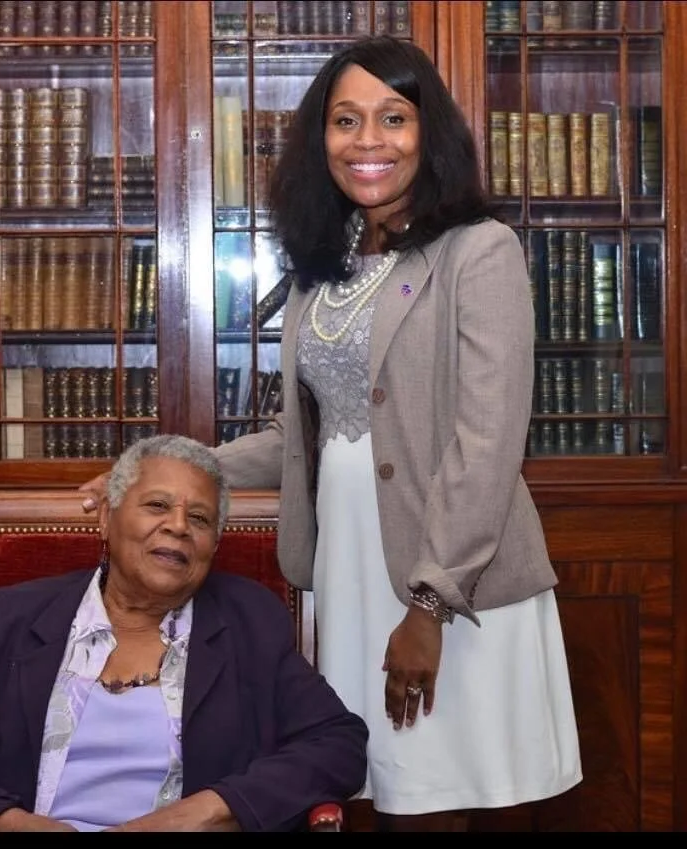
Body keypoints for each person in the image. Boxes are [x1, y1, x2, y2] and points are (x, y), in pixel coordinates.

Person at [81, 36, 582, 832]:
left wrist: (428, 604)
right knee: (378, 788)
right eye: (346, 120)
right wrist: (165, 467)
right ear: (321, 139)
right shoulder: (330, 262)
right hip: (348, 562)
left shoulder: (478, 251)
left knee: (437, 792)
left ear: (431, 132)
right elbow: (309, 431)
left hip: (451, 574)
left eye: (393, 117)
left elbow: (486, 439)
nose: (368, 140)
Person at [0, 433, 369, 832]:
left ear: (213, 544)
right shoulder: (11, 618)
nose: (178, 527)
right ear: (105, 517)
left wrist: (204, 811)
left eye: (198, 518)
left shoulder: (249, 622)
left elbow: (336, 744)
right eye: (157, 505)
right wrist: (7, 823)